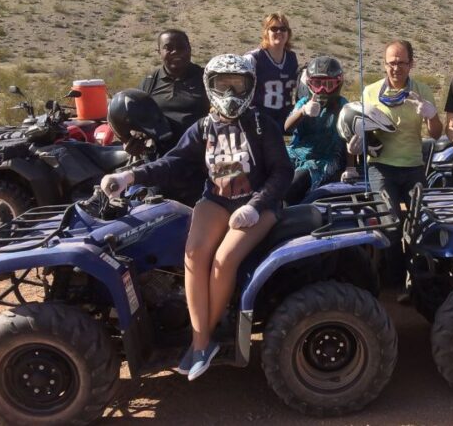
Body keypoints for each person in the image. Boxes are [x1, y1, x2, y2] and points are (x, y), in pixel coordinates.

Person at [101, 54, 293, 380]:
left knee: (225, 259)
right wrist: (130, 177)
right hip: (216, 199)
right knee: (193, 255)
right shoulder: (203, 127)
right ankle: (202, 342)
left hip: (257, 205)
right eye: (223, 85)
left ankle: (204, 339)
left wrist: (256, 205)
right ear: (210, 86)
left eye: (238, 85)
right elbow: (173, 161)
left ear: (250, 86)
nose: (231, 93)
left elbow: (282, 172)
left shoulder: (262, 124)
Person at [353, 40, 443, 208]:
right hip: (381, 168)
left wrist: (432, 116)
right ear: (385, 64)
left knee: (421, 219)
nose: (396, 68)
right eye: (391, 63)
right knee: (390, 222)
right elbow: (359, 129)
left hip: (413, 166)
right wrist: (355, 145)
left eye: (402, 63)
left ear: (411, 64)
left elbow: (436, 134)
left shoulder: (422, 91)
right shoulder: (370, 92)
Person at [131, 29, 210, 155]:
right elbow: (137, 119)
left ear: (189, 49)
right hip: (160, 158)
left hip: (200, 157)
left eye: (181, 47)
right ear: (159, 52)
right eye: (168, 48)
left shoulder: (207, 79)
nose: (175, 52)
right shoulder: (150, 82)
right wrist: (135, 138)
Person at [283, 56, 350, 204]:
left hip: (326, 158)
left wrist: (350, 168)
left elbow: (350, 139)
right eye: (316, 84)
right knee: (270, 170)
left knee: (295, 184)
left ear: (338, 84)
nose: (322, 90)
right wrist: (302, 112)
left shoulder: (343, 106)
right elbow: (287, 127)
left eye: (328, 84)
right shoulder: (304, 102)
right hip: (297, 151)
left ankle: (288, 219)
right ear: (308, 84)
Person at [243, 13, 299, 130]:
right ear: (266, 33)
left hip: (285, 119)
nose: (279, 32)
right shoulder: (253, 58)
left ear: (288, 33)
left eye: (283, 29)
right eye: (274, 28)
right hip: (259, 120)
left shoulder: (291, 58)